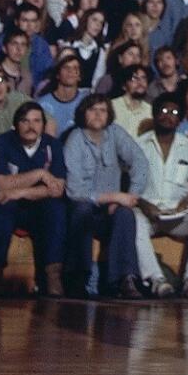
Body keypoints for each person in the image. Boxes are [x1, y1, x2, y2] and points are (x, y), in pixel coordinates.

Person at [62, 91, 150, 299]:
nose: (98, 114)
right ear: (83, 113)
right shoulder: (75, 139)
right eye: (93, 110)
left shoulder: (115, 133)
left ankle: (125, 279)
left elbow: (141, 163)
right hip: (83, 208)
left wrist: (131, 195)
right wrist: (114, 197)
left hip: (109, 209)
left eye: (103, 110)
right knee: (82, 210)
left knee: (125, 214)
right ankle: (78, 278)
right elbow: (75, 191)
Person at [132, 92, 188, 298]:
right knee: (132, 218)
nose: (168, 115)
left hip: (178, 215)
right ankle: (156, 280)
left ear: (180, 119)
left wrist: (186, 202)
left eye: (174, 112)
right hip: (148, 213)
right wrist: (144, 205)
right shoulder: (138, 144)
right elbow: (128, 185)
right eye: (163, 111)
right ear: (154, 114)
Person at [0, 101, 67, 297]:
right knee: (2, 204)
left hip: (40, 207)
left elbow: (57, 189)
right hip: (12, 209)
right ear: (16, 125)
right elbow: (0, 185)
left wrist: (18, 191)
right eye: (25, 121)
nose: (31, 126)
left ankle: (52, 278)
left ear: (43, 124)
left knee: (56, 208)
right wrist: (40, 174)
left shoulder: (53, 145)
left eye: (36, 121)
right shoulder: (1, 142)